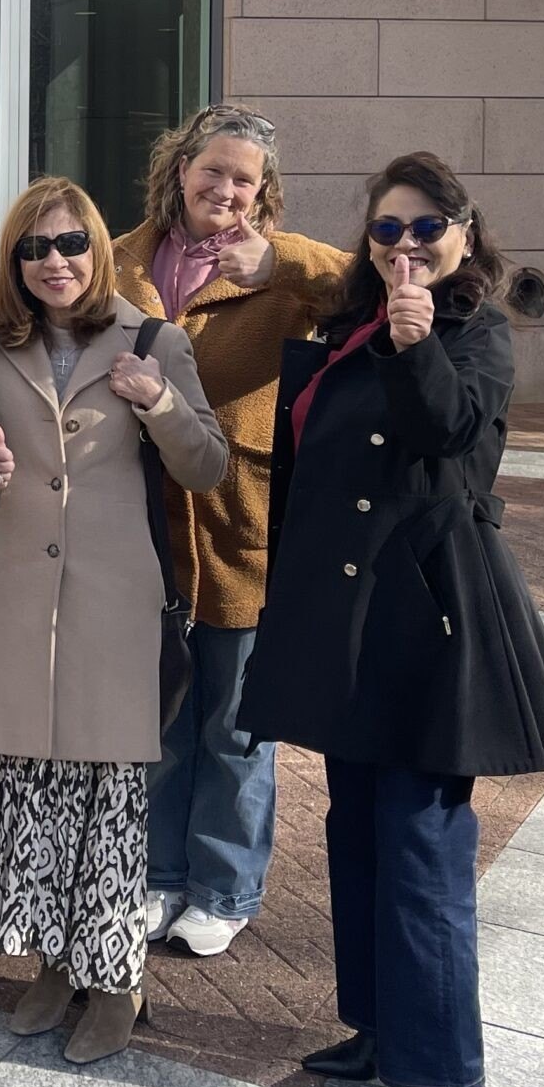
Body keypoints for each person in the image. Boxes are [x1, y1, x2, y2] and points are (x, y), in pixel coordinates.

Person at [241, 152, 544, 1087]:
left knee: (422, 845)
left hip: (429, 624)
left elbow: (450, 429)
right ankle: (377, 1029)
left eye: (425, 227)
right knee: (356, 829)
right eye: (386, 229)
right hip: (343, 617)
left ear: (464, 237)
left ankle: (451, 1071)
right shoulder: (345, 328)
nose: (404, 246)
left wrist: (413, 342)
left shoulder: (472, 334)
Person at [0, 178, 227, 1062]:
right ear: (14, 261)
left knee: (104, 797)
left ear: (98, 248)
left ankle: (115, 978)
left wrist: (159, 403)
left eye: (71, 245)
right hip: (7, 596)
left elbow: (206, 469)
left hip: (110, 602)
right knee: (27, 790)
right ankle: (54, 961)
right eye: (35, 249)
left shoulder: (156, 340)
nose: (56, 262)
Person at [110, 105, 352, 961]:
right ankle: (159, 873)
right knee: (165, 715)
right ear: (180, 168)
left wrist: (281, 256)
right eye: (212, 171)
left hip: (238, 520)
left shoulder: (283, 269)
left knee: (237, 724)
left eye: (244, 179)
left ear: (264, 192)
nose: (225, 189)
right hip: (139, 523)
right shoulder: (121, 258)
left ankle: (226, 885)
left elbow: (365, 281)